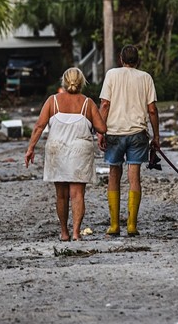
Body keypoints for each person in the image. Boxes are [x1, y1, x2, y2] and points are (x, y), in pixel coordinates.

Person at [25, 67, 106, 241]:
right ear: (82, 82)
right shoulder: (87, 103)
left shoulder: (52, 101)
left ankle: (64, 232)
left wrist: (30, 148)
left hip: (57, 150)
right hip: (80, 151)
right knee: (77, 194)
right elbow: (101, 128)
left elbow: (39, 126)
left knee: (61, 195)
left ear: (64, 81)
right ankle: (76, 232)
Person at [98, 45, 160, 236]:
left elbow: (105, 105)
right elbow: (152, 110)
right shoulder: (146, 78)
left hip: (114, 133)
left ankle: (114, 225)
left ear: (120, 59)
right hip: (138, 134)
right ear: (138, 60)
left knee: (114, 175)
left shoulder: (111, 75)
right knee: (134, 177)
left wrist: (101, 131)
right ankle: (132, 225)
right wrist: (156, 136)